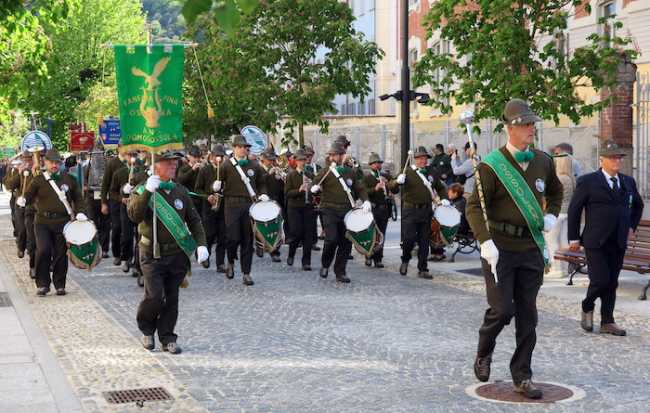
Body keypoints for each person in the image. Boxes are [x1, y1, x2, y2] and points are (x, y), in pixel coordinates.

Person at [466, 99, 563, 399]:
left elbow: (557, 190)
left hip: (530, 247)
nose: (531, 128)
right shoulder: (491, 166)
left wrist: (551, 214)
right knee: (502, 310)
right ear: (510, 128)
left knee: (527, 315)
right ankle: (484, 351)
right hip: (500, 248)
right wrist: (485, 241)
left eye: (532, 123)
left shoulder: (543, 161)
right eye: (525, 124)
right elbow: (474, 207)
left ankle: (522, 375)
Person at [128, 151, 208, 354]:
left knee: (172, 298)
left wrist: (201, 244)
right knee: (155, 296)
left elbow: (194, 220)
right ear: (155, 165)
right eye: (168, 162)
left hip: (176, 253)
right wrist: (147, 192)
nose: (174, 165)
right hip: (151, 253)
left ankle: (167, 337)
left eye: (175, 162)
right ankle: (147, 329)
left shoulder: (180, 191)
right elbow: (135, 216)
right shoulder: (142, 189)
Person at [568, 140, 644, 336]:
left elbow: (638, 205)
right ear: (601, 160)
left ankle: (607, 321)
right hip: (596, 240)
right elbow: (575, 210)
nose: (616, 160)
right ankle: (587, 305)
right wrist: (573, 238)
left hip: (618, 240)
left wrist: (631, 226)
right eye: (612, 158)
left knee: (612, 282)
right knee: (600, 280)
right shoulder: (588, 181)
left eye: (618, 157)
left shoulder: (628, 182)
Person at [24, 149, 87, 297]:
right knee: (43, 250)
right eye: (51, 162)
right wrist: (23, 200)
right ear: (45, 162)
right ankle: (42, 284)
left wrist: (80, 212)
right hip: (42, 222)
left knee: (60, 253)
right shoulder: (39, 180)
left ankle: (60, 284)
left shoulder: (69, 179)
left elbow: (78, 198)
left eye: (57, 162)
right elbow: (28, 195)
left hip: (62, 221)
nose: (54, 165)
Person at [213, 135, 269, 286]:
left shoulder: (254, 165)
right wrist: (216, 186)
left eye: (245, 147)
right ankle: (230, 261)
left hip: (249, 205)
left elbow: (261, 183)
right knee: (232, 238)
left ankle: (246, 273)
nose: (244, 149)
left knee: (247, 240)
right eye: (241, 147)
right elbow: (219, 184)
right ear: (235, 148)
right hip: (231, 205)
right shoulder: (226, 165)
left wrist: (263, 193)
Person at [310, 142, 369, 283]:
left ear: (342, 156)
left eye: (334, 155)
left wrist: (366, 200)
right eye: (330, 155)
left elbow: (360, 188)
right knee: (331, 239)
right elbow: (315, 183)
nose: (332, 158)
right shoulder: (326, 171)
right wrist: (313, 189)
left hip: (347, 211)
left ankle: (340, 271)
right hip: (329, 209)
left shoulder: (350, 172)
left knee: (346, 242)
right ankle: (325, 264)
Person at [395, 146, 447, 279]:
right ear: (415, 159)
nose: (423, 161)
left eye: (425, 158)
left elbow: (440, 188)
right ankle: (405, 260)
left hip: (426, 210)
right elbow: (393, 188)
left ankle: (423, 268)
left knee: (424, 241)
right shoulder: (407, 171)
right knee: (409, 239)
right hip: (410, 210)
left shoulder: (431, 171)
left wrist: (445, 199)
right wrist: (397, 182)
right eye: (420, 158)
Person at [195, 144, 228, 272]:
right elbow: (197, 189)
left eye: (221, 156)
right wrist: (207, 196)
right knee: (209, 234)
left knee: (222, 236)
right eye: (217, 156)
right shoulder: (205, 170)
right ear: (212, 157)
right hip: (208, 208)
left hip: (223, 207)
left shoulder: (226, 169)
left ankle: (220, 263)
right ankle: (205, 255)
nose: (219, 158)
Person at [363, 152, 399, 268]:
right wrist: (375, 188)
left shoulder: (385, 176)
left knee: (382, 234)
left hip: (384, 209)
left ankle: (378, 258)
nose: (378, 165)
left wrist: (389, 184)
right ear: (370, 165)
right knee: (371, 233)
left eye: (379, 163)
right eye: (375, 163)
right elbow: (363, 192)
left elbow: (395, 190)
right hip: (373, 209)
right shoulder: (367, 178)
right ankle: (368, 256)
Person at [285, 149, 318, 270]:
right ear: (296, 161)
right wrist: (299, 190)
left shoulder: (310, 174)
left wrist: (315, 188)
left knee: (308, 235)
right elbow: (287, 193)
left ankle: (306, 262)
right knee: (296, 233)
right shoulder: (291, 175)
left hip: (308, 207)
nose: (303, 162)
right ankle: (291, 253)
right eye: (300, 160)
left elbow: (317, 191)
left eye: (304, 160)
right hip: (294, 208)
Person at [544, 154, 575, 278]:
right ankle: (564, 268)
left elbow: (548, 195)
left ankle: (556, 269)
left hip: (556, 213)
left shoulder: (559, 179)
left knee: (551, 241)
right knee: (563, 242)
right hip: (567, 213)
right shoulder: (571, 179)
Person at [110, 151, 141, 273]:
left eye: (134, 155)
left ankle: (137, 264)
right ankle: (126, 258)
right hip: (126, 207)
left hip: (140, 207)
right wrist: (121, 199)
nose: (132, 158)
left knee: (140, 237)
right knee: (127, 236)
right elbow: (112, 191)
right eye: (130, 155)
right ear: (125, 156)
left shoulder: (143, 172)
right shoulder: (119, 173)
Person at [8, 152, 37, 278]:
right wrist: (19, 173)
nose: (28, 161)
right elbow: (9, 185)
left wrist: (35, 171)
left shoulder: (37, 171)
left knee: (32, 237)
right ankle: (21, 246)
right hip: (20, 205)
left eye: (30, 159)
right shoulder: (17, 170)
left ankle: (33, 265)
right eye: (25, 159)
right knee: (22, 230)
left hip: (33, 207)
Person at [259, 148, 284, 262]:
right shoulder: (258, 169)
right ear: (263, 159)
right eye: (269, 160)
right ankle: (260, 245)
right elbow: (257, 183)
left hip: (274, 201)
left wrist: (281, 178)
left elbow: (281, 188)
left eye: (273, 160)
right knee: (261, 226)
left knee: (276, 227)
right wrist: (268, 174)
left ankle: (275, 251)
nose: (272, 162)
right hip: (262, 201)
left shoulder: (276, 169)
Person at [101, 148, 126, 266]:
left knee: (128, 230)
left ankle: (127, 256)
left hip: (130, 201)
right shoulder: (112, 163)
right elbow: (105, 184)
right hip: (115, 201)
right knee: (117, 227)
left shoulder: (133, 162)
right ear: (119, 149)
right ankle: (117, 254)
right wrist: (104, 203)